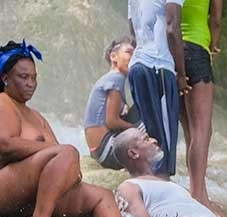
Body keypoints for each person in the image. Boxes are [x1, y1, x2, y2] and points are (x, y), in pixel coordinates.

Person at [0, 41, 123, 217]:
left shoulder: (37, 117)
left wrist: (69, 172)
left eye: (34, 78)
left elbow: (60, 162)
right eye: (23, 77)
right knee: (67, 152)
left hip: (33, 195)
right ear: (5, 78)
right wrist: (59, 155)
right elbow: (5, 145)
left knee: (102, 195)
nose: (31, 83)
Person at [127, 0, 181, 177]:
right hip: (158, 66)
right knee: (162, 145)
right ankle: (163, 192)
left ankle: (150, 187)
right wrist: (181, 73)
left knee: (150, 137)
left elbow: (133, 29)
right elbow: (172, 28)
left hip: (137, 66)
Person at [178, 0, 218, 204]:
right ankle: (198, 196)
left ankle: (198, 190)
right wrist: (214, 44)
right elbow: (216, 20)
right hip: (197, 49)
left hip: (175, 51)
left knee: (190, 131)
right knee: (202, 131)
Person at [84, 37, 139, 169]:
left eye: (135, 54)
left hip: (97, 150)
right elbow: (111, 122)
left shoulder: (110, 78)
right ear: (113, 57)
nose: (133, 58)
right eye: (129, 52)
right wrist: (135, 128)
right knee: (147, 110)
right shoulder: (116, 78)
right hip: (106, 149)